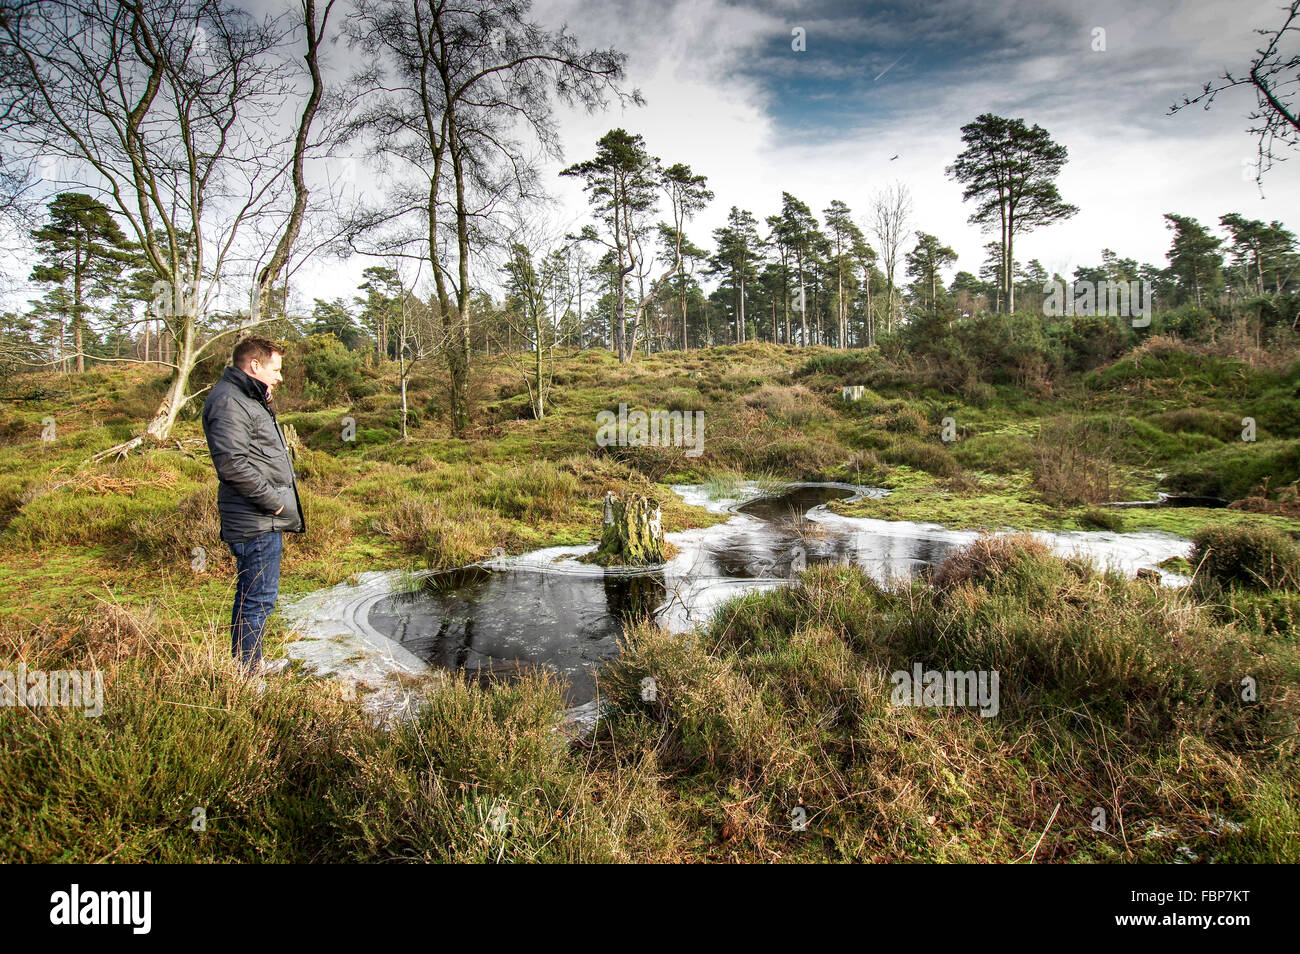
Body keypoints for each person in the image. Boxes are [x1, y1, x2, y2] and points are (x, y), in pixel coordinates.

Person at [201, 336, 305, 678]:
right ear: (255, 365)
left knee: (255, 596)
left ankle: (251, 663)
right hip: (256, 519)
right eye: (275, 369)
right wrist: (274, 504)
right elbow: (231, 464)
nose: (279, 376)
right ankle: (246, 673)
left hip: (260, 518)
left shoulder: (246, 397)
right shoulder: (229, 401)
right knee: (257, 599)